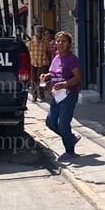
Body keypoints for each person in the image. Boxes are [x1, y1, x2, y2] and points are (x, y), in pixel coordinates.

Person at [41, 31, 83, 162]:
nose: (60, 43)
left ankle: (70, 151)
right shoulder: (56, 57)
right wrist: (46, 76)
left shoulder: (72, 59)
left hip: (69, 95)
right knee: (50, 122)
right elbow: (53, 72)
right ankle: (70, 138)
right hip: (57, 96)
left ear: (69, 44)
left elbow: (78, 77)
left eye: (64, 41)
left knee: (63, 123)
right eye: (58, 41)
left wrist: (65, 84)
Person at [26, 24, 49, 102]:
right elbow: (27, 51)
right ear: (35, 32)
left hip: (43, 62)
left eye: (40, 31)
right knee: (33, 80)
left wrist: (49, 61)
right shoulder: (31, 41)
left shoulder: (45, 41)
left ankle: (41, 94)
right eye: (38, 31)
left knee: (42, 79)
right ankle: (34, 95)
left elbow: (48, 51)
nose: (39, 33)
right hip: (33, 62)